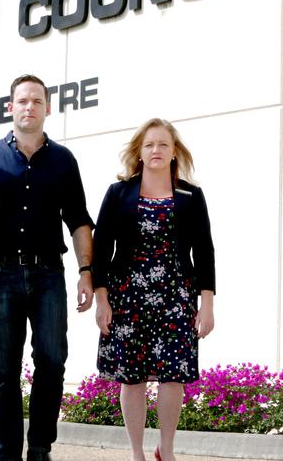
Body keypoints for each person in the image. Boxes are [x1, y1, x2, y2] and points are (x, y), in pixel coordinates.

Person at [0, 74, 95, 461]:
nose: (29, 107)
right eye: (22, 101)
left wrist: (87, 271)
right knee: (4, 370)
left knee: (52, 362)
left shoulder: (63, 161)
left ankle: (39, 450)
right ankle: (7, 453)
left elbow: (80, 221)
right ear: (10, 107)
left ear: (47, 108)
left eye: (37, 101)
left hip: (49, 275)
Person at [92, 118, 215, 461]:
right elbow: (100, 249)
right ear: (140, 153)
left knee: (172, 376)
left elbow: (204, 251)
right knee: (131, 378)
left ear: (174, 151)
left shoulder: (192, 195)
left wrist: (207, 304)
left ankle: (168, 449)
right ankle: (136, 452)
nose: (156, 150)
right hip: (127, 296)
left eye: (163, 144)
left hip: (177, 298)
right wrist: (102, 300)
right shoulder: (119, 193)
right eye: (149, 145)